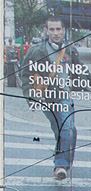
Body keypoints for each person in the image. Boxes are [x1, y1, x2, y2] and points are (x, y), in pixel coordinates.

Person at [23, 16, 82, 181]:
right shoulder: (36, 50)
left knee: (66, 128)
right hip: (47, 98)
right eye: (52, 29)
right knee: (62, 130)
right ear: (46, 30)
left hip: (65, 96)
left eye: (58, 29)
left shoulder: (70, 49)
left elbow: (79, 71)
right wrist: (31, 98)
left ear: (63, 30)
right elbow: (25, 74)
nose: (56, 33)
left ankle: (61, 165)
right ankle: (64, 162)